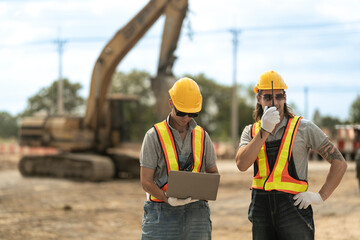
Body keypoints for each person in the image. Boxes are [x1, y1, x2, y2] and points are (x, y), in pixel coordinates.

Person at [235, 70, 347, 240]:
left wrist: (320, 196)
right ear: (258, 99)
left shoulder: (304, 128)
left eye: (279, 97)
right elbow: (242, 165)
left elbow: (339, 163)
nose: (275, 103)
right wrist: (264, 131)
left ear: (285, 97)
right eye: (268, 98)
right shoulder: (250, 132)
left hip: (293, 210)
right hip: (261, 210)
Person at [140, 77, 219, 240]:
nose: (186, 117)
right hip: (161, 213)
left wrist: (201, 191)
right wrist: (166, 198)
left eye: (192, 113)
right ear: (171, 104)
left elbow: (213, 173)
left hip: (197, 213)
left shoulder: (203, 136)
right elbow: (146, 181)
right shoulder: (154, 136)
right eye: (181, 112)